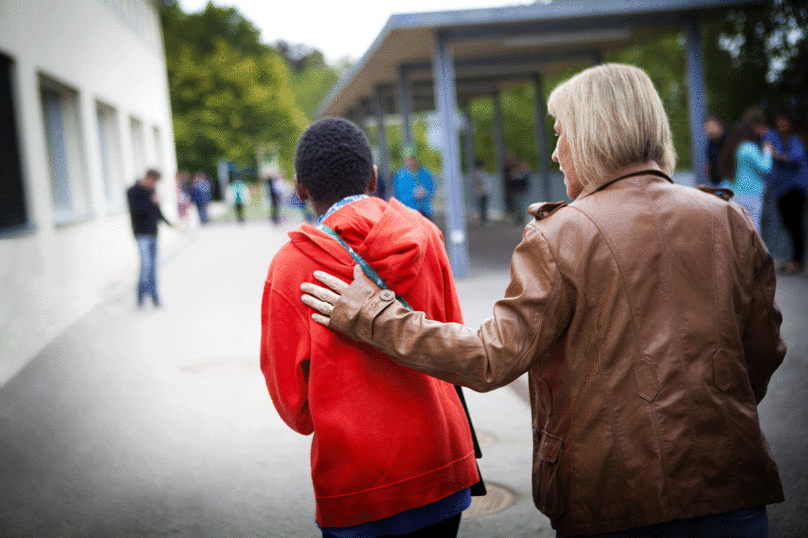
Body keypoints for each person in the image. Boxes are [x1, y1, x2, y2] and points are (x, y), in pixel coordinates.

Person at [301, 64, 786, 537]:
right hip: (735, 490)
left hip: (617, 498)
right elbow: (763, 354)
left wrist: (374, 315)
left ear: (595, 135)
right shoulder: (729, 220)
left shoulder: (563, 235)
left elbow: (489, 360)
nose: (555, 153)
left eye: (562, 133)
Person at [260, 117, 482, 538]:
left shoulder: (291, 268)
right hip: (441, 460)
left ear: (300, 188)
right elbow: (452, 335)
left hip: (357, 481)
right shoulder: (426, 234)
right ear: (374, 177)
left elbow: (294, 406)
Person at [765, 110, 808, 274]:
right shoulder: (775, 138)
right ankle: (793, 260)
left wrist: (775, 154)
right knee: (787, 225)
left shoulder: (795, 139)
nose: (782, 125)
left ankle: (797, 261)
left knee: (795, 225)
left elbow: (794, 158)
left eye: (785, 122)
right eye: (779, 122)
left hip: (796, 189)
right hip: (781, 189)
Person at [719, 109, 774, 231]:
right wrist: (767, 151)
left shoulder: (735, 148)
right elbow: (766, 167)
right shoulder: (749, 148)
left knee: (738, 232)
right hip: (751, 195)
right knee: (754, 232)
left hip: (735, 194)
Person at [127, 169, 171, 308]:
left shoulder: (152, 191)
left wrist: (170, 224)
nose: (154, 184)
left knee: (153, 268)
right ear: (147, 178)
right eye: (153, 181)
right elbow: (136, 211)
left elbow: (157, 212)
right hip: (141, 234)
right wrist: (152, 202)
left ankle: (155, 298)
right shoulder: (133, 191)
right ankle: (140, 298)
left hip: (153, 233)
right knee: (145, 267)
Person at [393, 148, 435, 219]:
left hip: (425, 212)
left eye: (412, 159)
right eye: (408, 159)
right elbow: (398, 196)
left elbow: (432, 190)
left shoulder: (425, 173)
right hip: (409, 213)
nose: (411, 161)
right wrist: (413, 195)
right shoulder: (400, 176)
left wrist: (424, 193)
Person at [703, 114, 727, 186]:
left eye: (709, 127)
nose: (708, 131)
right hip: (715, 181)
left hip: (726, 180)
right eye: (706, 128)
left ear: (717, 125)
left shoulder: (728, 139)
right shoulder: (711, 142)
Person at [473, 159, 493, 225]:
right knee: (483, 206)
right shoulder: (480, 173)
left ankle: (483, 220)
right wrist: (482, 189)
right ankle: (484, 220)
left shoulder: (478, 172)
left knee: (482, 206)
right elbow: (480, 182)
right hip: (483, 191)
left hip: (481, 191)